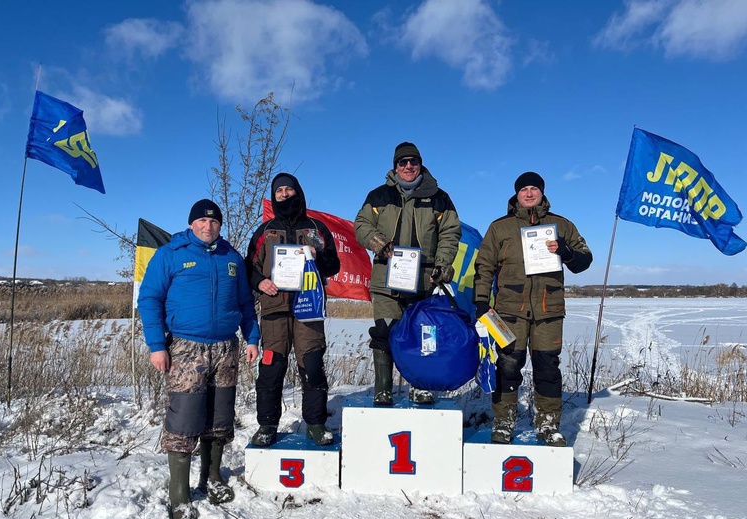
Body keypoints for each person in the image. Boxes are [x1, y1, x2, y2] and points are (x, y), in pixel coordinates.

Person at [139, 199, 260, 519]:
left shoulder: (231, 258)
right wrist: (156, 345)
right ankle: (179, 493)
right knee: (184, 420)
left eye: (214, 222)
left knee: (219, 419)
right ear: (191, 224)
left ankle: (212, 478)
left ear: (220, 225)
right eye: (202, 222)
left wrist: (252, 337)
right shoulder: (171, 254)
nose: (208, 227)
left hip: (226, 348)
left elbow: (246, 303)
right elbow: (149, 298)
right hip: (186, 348)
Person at [473, 172, 592, 446]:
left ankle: (549, 424)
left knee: (547, 368)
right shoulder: (499, 228)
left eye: (534, 189)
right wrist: (481, 302)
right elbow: (484, 267)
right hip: (508, 312)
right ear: (516, 194)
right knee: (507, 366)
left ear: (542, 193)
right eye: (524, 189)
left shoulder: (562, 225)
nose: (529, 194)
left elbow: (584, 260)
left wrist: (565, 251)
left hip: (548, 311)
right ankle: (504, 422)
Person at [354, 142, 461, 405]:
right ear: (395, 166)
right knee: (385, 332)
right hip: (385, 280)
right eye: (403, 162)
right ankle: (383, 389)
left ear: (420, 164)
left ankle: (420, 386)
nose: (408, 166)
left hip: (424, 281)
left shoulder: (440, 197)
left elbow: (450, 233)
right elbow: (361, 225)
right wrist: (379, 243)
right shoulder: (378, 196)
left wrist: (443, 264)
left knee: (423, 335)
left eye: (413, 161)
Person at [246, 173, 341, 447]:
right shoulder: (264, 232)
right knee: (271, 368)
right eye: (279, 191)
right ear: (274, 196)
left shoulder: (317, 229)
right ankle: (266, 426)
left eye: (289, 189)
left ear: (297, 192)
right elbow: (248, 267)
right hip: (275, 310)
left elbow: (334, 265)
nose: (284, 194)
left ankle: (315, 424)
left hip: (308, 308)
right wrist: (260, 282)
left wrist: (317, 256)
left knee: (312, 365)